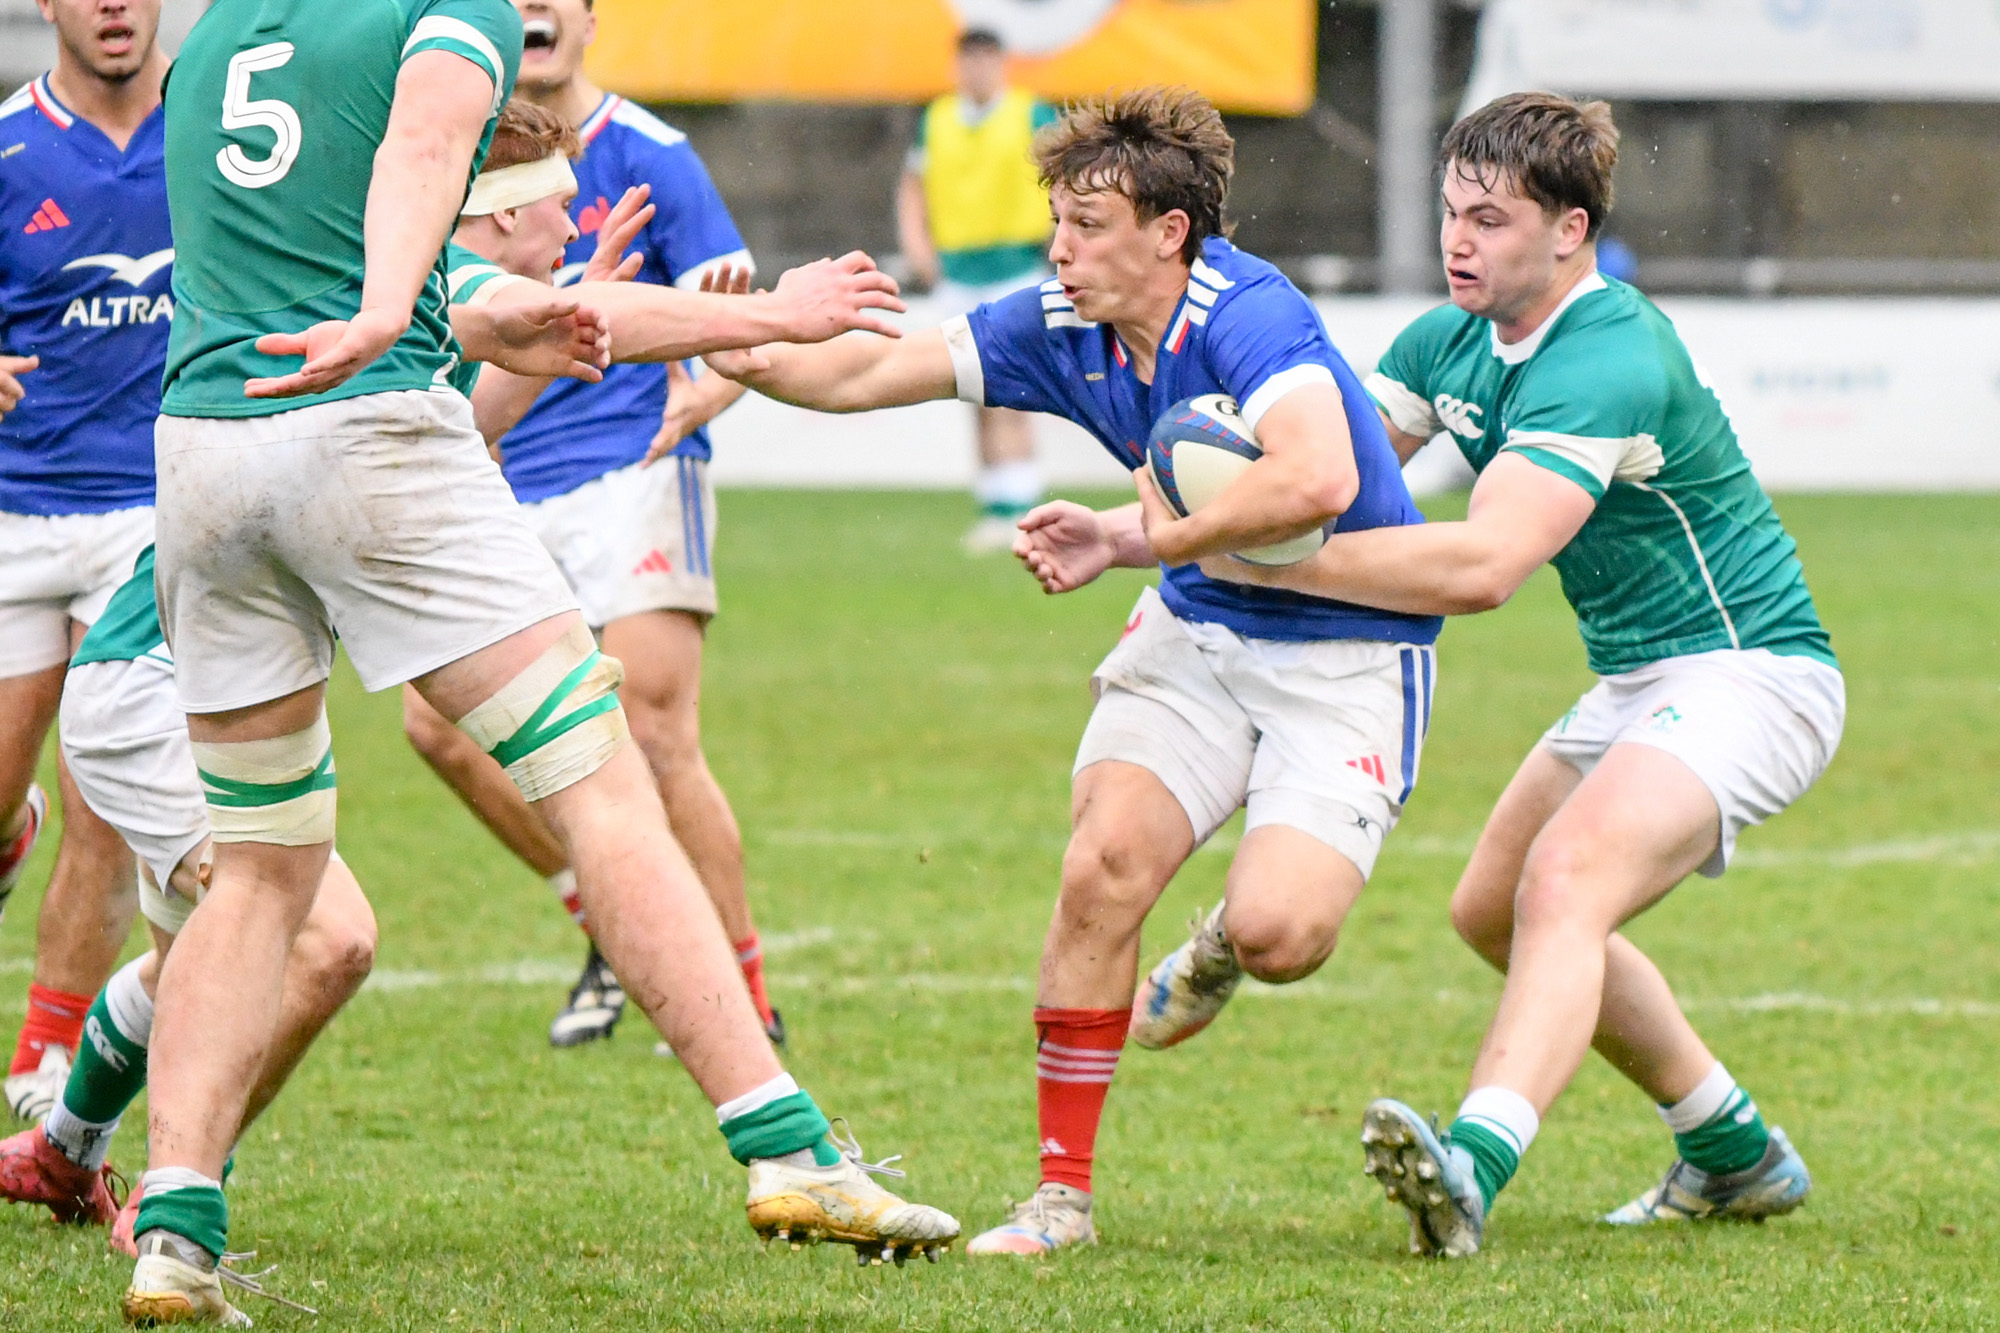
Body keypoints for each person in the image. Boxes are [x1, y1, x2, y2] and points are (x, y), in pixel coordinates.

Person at [126, 4, 954, 1321]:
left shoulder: (221, 31)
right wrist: (389, 309)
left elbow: (463, 271)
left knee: (265, 866)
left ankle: (172, 1226)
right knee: (598, 780)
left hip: (204, 453)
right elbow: (419, 159)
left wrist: (448, 311)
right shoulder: (436, 12)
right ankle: (789, 1149)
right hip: (363, 421)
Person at [705, 86, 1441, 1257]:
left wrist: (1140, 532)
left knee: (1282, 933)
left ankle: (1220, 946)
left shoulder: (1249, 312)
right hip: (1196, 633)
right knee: (1100, 868)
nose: (1060, 248)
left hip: (1345, 653)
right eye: (1057, 221)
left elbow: (1315, 482)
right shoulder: (1054, 320)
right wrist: (722, 334)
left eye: (1088, 225)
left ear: (1169, 233)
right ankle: (1059, 1199)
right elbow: (855, 375)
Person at [1194, 92, 1841, 1256]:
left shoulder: (1609, 352)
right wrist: (1160, 519)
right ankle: (1732, 1147)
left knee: (1565, 881)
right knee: (1488, 908)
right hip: (1639, 678)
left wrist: (1270, 566)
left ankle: (1471, 1164)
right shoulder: (1444, 340)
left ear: (1569, 231)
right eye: (1450, 213)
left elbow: (1483, 563)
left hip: (1754, 672)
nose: (1456, 241)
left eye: (1488, 219)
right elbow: (1322, 481)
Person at [400, 0, 786, 1052]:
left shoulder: (654, 151)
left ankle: (740, 983)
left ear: (587, 19)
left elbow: (733, 303)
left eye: (551, 0)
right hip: (500, 471)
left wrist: (708, 394)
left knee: (654, 732)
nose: (531, 14)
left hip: (635, 466)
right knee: (434, 723)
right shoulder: (449, 140)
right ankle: (610, 914)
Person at [0, 0, 178, 1125]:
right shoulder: (10, 147)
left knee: (102, 786)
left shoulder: (218, 132)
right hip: (17, 511)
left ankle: (48, 1045)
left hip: (152, 513)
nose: (114, 5)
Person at [896, 26, 1057, 553]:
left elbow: (1066, 183)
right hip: (958, 274)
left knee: (1013, 389)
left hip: (1016, 268)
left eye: (987, 60)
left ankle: (1023, 505)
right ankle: (994, 502)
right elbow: (913, 187)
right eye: (970, 61)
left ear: (1003, 64)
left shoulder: (1032, 114)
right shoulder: (937, 118)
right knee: (970, 387)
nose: (978, 71)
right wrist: (921, 250)